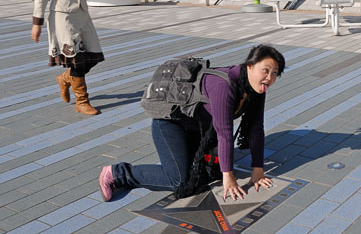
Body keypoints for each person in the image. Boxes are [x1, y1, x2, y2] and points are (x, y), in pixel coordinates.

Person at [98, 45, 285, 202]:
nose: (269, 77)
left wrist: (258, 172)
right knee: (178, 180)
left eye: (275, 73)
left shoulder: (256, 88)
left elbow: (255, 129)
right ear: (250, 66)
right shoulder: (225, 85)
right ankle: (117, 173)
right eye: (265, 70)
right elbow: (224, 133)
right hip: (171, 124)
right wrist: (229, 177)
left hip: (200, 129)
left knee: (211, 174)